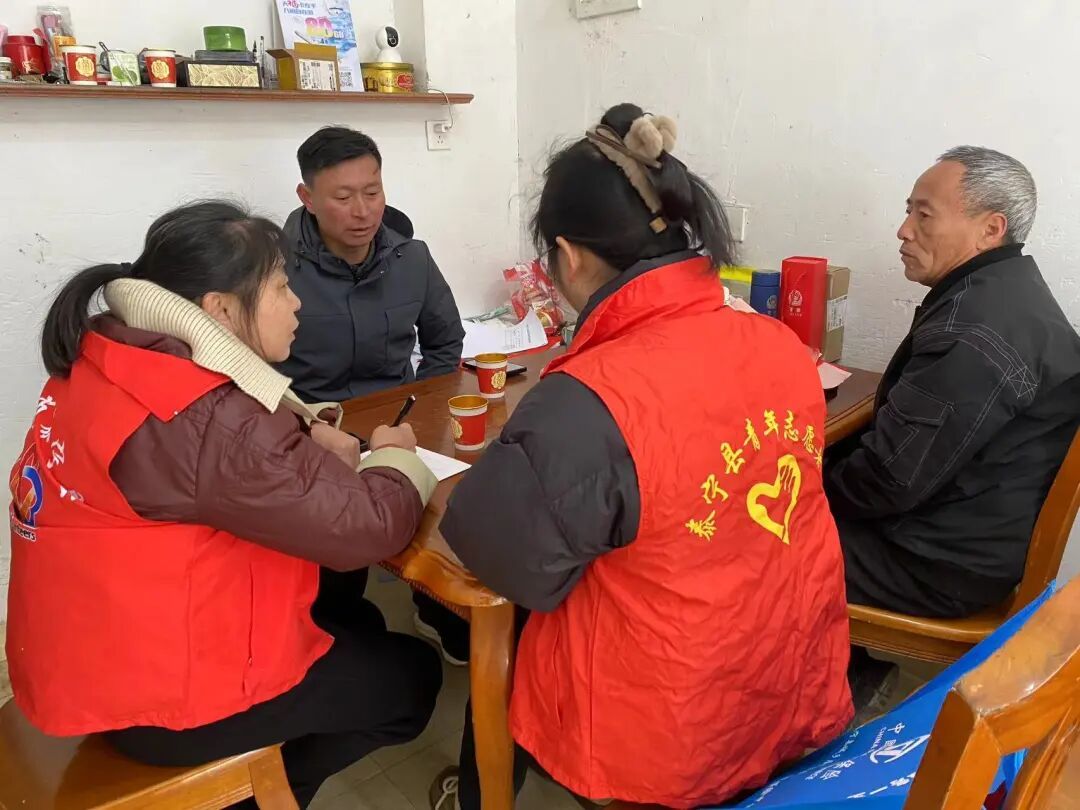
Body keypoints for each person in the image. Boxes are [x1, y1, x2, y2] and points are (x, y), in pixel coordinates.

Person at [429, 104, 853, 810]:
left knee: (508, 619)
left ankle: (482, 794)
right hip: (789, 681)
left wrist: (421, 477)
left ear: (569, 256)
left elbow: (496, 556)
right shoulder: (779, 344)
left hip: (669, 732)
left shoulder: (589, 400)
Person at [6, 201, 443, 809]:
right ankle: (257, 794)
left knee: (349, 609)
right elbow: (369, 528)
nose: (297, 303)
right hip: (153, 703)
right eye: (281, 287)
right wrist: (396, 460)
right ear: (219, 309)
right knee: (412, 678)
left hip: (82, 659)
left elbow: (214, 463)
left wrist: (301, 438)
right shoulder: (204, 418)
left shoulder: (109, 356)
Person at [826, 147, 1080, 713]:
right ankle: (845, 669)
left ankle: (809, 701)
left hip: (937, 564)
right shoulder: (1007, 292)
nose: (903, 230)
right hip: (970, 537)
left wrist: (802, 486)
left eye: (924, 215)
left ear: (991, 229)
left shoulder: (975, 332)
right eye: (907, 211)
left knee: (743, 532)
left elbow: (886, 482)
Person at [277, 125, 469, 666]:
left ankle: (437, 607)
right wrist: (305, 429)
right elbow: (248, 368)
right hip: (312, 429)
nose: (363, 212)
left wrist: (422, 413)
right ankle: (336, 634)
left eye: (373, 191)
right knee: (334, 559)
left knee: (452, 505)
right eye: (343, 197)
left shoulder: (412, 258)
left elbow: (445, 342)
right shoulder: (274, 268)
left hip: (397, 422)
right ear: (307, 197)